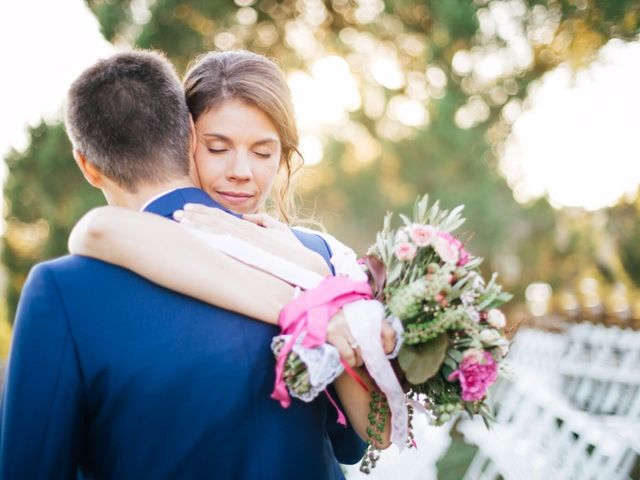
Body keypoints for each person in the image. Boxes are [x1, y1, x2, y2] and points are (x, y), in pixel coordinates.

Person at [0, 50, 389, 479]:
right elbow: (349, 445)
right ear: (185, 135)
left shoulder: (65, 289)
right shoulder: (318, 260)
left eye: (263, 152)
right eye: (218, 147)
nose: (241, 172)